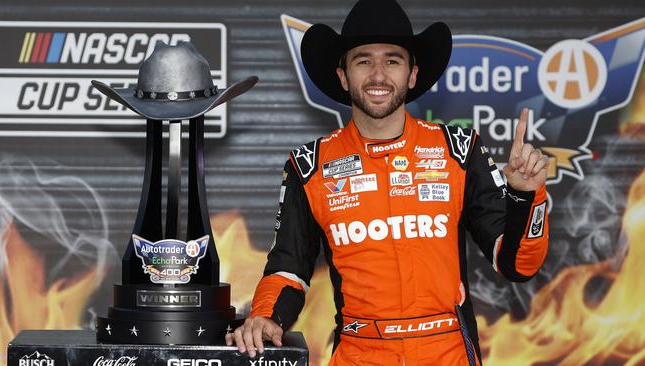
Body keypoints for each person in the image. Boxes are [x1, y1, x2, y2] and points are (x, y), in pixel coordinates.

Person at [226, 0, 549, 364]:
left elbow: (518, 265)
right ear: (343, 76)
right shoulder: (309, 166)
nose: (378, 75)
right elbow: (288, 267)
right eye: (363, 60)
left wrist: (524, 196)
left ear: (412, 75)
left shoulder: (459, 150)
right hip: (360, 352)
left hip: (446, 352)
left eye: (392, 60)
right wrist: (267, 315)